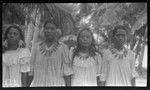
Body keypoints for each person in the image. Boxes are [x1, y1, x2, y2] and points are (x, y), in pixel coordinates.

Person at [29, 20, 73, 87]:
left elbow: (67, 71)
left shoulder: (63, 47)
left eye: (52, 28)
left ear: (57, 31)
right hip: (38, 83)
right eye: (47, 28)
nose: (49, 30)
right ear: (43, 30)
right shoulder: (36, 47)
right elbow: (31, 69)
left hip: (57, 84)